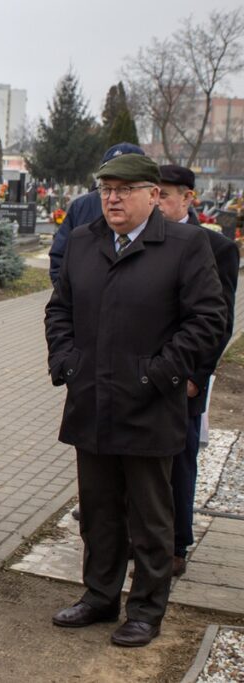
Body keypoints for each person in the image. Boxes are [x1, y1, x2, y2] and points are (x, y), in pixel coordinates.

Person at [45, 153, 225, 647]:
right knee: (99, 510)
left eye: (125, 189)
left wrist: (160, 373)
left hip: (149, 404)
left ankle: (145, 608)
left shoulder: (185, 246)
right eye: (106, 189)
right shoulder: (85, 242)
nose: (113, 198)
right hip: (92, 401)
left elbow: (207, 319)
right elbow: (60, 309)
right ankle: (99, 596)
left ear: (153, 194)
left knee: (150, 518)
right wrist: (66, 361)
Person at [157, 164, 239, 577]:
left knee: (180, 456)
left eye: (166, 195)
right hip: (143, 371)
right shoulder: (145, 240)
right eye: (153, 193)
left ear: (189, 198)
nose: (158, 203)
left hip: (185, 376)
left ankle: (176, 543)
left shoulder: (217, 248)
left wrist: (197, 376)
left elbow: (219, 321)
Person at [48, 143, 144, 285]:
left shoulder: (156, 211)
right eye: (107, 185)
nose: (113, 198)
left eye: (125, 187)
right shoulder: (80, 206)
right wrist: (71, 297)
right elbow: (59, 258)